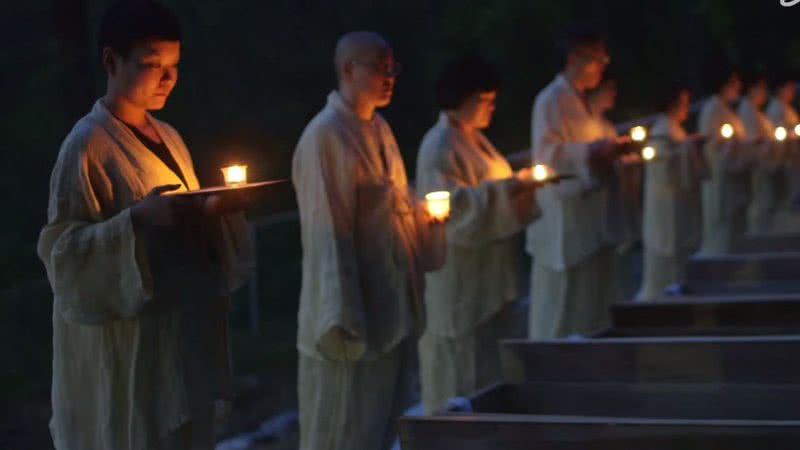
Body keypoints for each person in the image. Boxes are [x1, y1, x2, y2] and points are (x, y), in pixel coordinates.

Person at [36, 2, 253, 449]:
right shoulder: (86, 147)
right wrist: (133, 222)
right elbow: (65, 257)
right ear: (111, 61)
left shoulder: (170, 137)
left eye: (174, 66)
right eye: (152, 65)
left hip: (182, 339)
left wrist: (217, 212)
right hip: (134, 351)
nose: (167, 79)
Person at [292, 31, 444, 450]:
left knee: (379, 428)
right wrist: (340, 316)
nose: (389, 76)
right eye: (379, 67)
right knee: (344, 428)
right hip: (351, 315)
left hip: (390, 309)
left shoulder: (378, 128)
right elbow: (327, 233)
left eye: (392, 67)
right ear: (347, 69)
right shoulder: (326, 136)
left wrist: (424, 221)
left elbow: (392, 207)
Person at [415, 55, 539, 414]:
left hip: (489, 273)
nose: (491, 107)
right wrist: (508, 188)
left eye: (492, 100)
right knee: (461, 369)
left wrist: (517, 187)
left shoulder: (474, 140)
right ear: (462, 98)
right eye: (484, 100)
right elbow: (449, 204)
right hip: (461, 277)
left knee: (487, 365)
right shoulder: (439, 145)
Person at [527, 25, 632, 339]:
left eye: (604, 59)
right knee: (562, 312)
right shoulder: (550, 100)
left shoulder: (581, 102)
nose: (602, 66)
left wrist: (609, 151)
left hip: (591, 224)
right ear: (574, 57)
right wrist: (592, 152)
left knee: (590, 310)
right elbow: (548, 157)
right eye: (597, 58)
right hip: (566, 224)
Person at [637, 86, 703, 300]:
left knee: (679, 241)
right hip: (665, 200)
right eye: (683, 103)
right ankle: (661, 289)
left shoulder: (674, 129)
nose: (685, 108)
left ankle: (677, 281)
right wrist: (686, 149)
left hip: (677, 198)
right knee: (667, 241)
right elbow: (662, 161)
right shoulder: (662, 131)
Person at [697, 69, 749, 255]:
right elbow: (711, 148)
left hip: (735, 179)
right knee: (722, 232)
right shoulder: (713, 110)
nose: (738, 87)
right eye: (734, 83)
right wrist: (731, 146)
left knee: (734, 230)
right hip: (721, 182)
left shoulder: (726, 110)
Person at [738, 74, 786, 234]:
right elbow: (750, 142)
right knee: (760, 205)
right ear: (752, 89)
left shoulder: (756, 112)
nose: (765, 93)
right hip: (758, 168)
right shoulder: (747, 112)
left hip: (767, 165)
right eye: (762, 89)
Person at [766, 73, 800, 215]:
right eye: (789, 88)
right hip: (785, 160)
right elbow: (777, 135)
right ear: (780, 89)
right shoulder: (775, 109)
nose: (793, 92)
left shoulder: (788, 109)